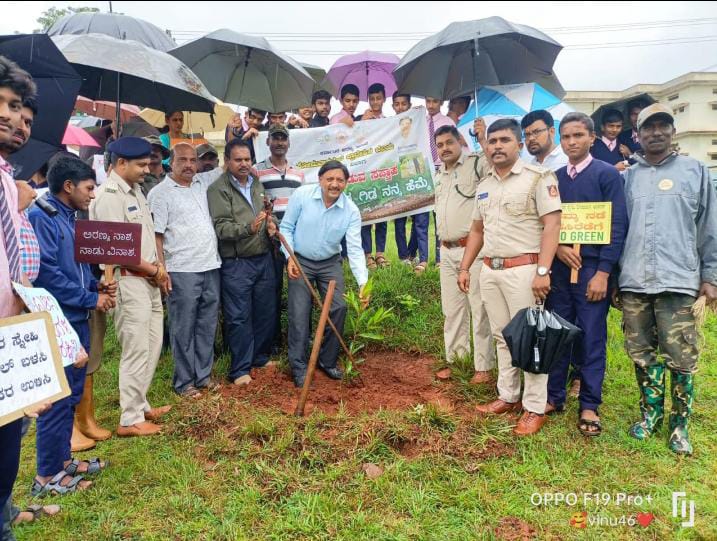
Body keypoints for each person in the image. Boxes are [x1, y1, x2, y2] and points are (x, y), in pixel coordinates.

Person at [619, 104, 717, 455]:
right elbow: (619, 230)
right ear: (638, 134)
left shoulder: (695, 172)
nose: (656, 132)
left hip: (679, 282)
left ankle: (680, 426)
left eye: (663, 126)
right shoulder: (628, 177)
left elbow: (709, 228)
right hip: (634, 282)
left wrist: (711, 276)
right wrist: (615, 278)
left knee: (681, 357)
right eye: (649, 127)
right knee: (642, 354)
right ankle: (650, 416)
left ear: (673, 131)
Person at [457, 118, 561, 436]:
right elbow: (477, 230)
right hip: (490, 270)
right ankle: (508, 395)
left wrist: (543, 270)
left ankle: (533, 407)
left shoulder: (537, 178)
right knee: (503, 336)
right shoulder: (485, 185)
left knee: (530, 340)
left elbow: (552, 225)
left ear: (518, 144)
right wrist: (465, 267)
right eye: (492, 141)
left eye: (504, 140)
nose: (497, 146)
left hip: (524, 270)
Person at [29, 156, 116, 496]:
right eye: (89, 188)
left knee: (72, 394)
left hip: (76, 316)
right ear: (69, 187)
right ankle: (47, 476)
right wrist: (88, 298)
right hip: (58, 320)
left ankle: (64, 461)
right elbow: (47, 274)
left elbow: (74, 269)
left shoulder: (69, 217)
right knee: (58, 397)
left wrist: (94, 287)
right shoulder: (42, 217)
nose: (93, 194)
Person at [546, 112, 628, 436]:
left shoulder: (607, 175)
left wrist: (604, 272)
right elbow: (547, 223)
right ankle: (554, 395)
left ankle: (590, 404)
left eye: (578, 135)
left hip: (592, 269)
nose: (572, 142)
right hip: (560, 269)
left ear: (591, 138)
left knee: (592, 337)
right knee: (558, 333)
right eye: (566, 137)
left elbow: (617, 225)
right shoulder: (554, 178)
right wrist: (557, 250)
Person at [89, 137, 172, 437]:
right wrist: (155, 270)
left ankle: (141, 403)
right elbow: (114, 250)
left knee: (152, 344)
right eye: (141, 164)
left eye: (148, 163)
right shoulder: (110, 196)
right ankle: (129, 419)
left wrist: (156, 271)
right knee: (136, 348)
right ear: (120, 163)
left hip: (148, 278)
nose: (147, 169)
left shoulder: (135, 190)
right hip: (128, 280)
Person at [280, 160, 369, 387]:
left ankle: (327, 361)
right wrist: (289, 257)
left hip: (330, 263)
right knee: (300, 313)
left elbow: (355, 248)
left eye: (340, 180)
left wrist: (363, 284)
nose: (334, 184)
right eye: (330, 179)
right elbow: (286, 227)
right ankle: (299, 367)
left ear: (346, 183)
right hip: (300, 260)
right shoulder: (302, 196)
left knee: (338, 307)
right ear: (320, 179)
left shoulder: (351, 210)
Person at [147, 143, 221, 398]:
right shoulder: (160, 193)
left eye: (193, 160)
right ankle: (184, 382)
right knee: (183, 327)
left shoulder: (202, 184)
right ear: (171, 162)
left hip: (211, 265)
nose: (189, 165)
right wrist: (161, 269)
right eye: (183, 160)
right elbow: (156, 235)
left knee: (206, 324)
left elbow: (231, 167)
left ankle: (203, 376)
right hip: (181, 269)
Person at [207, 139, 278, 386]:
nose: (244, 164)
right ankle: (240, 369)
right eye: (238, 160)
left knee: (265, 310)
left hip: (263, 258)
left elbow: (266, 214)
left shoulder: (256, 183)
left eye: (247, 159)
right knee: (239, 316)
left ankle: (259, 357)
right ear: (227, 161)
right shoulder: (219, 189)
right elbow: (221, 227)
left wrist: (271, 225)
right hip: (237, 263)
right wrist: (248, 228)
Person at [433, 125, 495, 384]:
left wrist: (482, 138)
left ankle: (483, 366)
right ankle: (457, 361)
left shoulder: (475, 165)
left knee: (479, 308)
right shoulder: (438, 175)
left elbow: (494, 166)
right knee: (452, 309)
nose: (445, 148)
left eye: (449, 142)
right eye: (440, 145)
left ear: (460, 141)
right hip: (446, 251)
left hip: (473, 249)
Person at [254, 124, 306, 352]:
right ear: (268, 142)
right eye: (275, 138)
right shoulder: (257, 171)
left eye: (283, 138)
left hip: (293, 241)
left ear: (288, 142)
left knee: (297, 290)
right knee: (272, 291)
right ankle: (273, 340)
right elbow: (256, 203)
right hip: (270, 241)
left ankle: (298, 339)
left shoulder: (298, 173)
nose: (279, 142)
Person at [417, 96, 456, 272]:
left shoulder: (448, 123)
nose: (431, 105)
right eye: (428, 101)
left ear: (441, 102)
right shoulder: (419, 122)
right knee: (421, 218)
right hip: (423, 172)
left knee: (440, 217)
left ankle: (440, 258)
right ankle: (423, 259)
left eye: (434, 101)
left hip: (443, 170)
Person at [358, 83, 388, 269]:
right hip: (365, 172)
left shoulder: (388, 120)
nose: (375, 102)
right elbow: (353, 140)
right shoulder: (362, 118)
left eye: (378, 98)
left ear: (384, 99)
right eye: (372, 99)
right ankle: (368, 255)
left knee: (383, 213)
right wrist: (362, 121)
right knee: (367, 216)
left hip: (383, 172)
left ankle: (380, 253)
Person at [390, 92, 417, 265]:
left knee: (418, 216)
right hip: (395, 175)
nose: (400, 107)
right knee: (399, 218)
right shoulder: (387, 125)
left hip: (415, 171)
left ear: (409, 104)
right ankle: (403, 256)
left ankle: (412, 252)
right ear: (393, 106)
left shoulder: (417, 122)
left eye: (404, 104)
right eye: (397, 104)